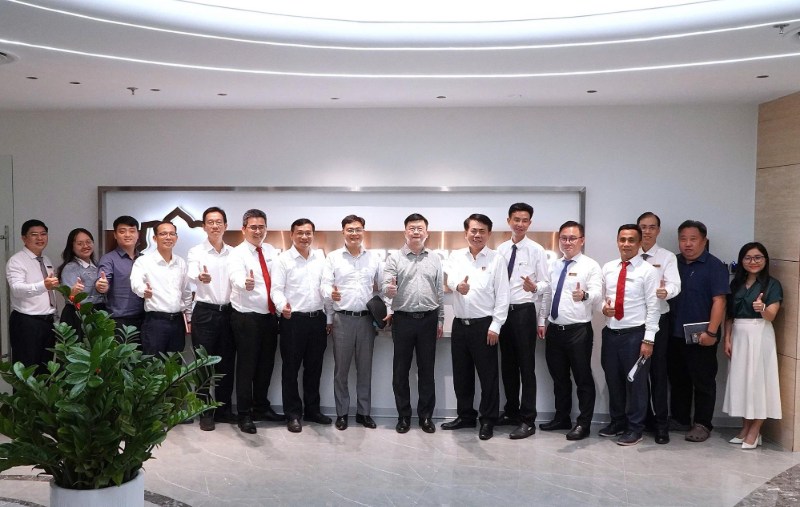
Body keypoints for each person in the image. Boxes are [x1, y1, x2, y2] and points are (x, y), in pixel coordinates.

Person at [442, 213, 509, 441]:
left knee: (488, 377)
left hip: (485, 326)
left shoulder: (496, 259)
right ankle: (465, 416)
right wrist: (457, 286)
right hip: (460, 324)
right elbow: (451, 279)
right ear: (466, 233)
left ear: (488, 234)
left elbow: (503, 296)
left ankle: (488, 419)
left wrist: (496, 326)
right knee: (462, 374)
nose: (477, 235)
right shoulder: (456, 256)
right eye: (473, 230)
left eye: (482, 231)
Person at [322, 215, 387, 430]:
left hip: (366, 321)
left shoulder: (374, 258)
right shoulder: (333, 257)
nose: (354, 233)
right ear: (343, 232)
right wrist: (330, 294)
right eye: (350, 229)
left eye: (358, 229)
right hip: (342, 320)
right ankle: (342, 413)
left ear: (363, 231)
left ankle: (363, 413)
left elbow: (384, 286)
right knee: (341, 371)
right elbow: (324, 285)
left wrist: (386, 306)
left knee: (365, 369)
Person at [668, 220, 730, 443]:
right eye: (683, 239)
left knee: (703, 381)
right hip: (674, 334)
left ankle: (703, 423)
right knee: (678, 379)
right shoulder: (673, 262)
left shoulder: (714, 266)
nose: (688, 244)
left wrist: (711, 333)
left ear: (704, 241)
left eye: (693, 239)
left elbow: (720, 301)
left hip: (702, 336)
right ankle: (680, 419)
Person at [539, 221, 602, 441]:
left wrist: (584, 295)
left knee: (583, 379)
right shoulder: (554, 265)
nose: (567, 242)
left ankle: (583, 424)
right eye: (564, 238)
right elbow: (548, 294)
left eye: (572, 238)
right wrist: (542, 320)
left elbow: (597, 294)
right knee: (559, 378)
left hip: (578, 332)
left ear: (582, 240)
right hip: (555, 330)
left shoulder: (590, 266)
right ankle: (561, 418)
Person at [382, 213, 444, 435]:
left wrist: (441, 319)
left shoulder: (435, 258)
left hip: (429, 319)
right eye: (412, 228)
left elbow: (439, 291)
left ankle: (426, 416)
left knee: (427, 371)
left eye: (420, 228)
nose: (416, 232)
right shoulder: (394, 258)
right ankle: (404, 416)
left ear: (426, 232)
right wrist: (389, 290)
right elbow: (386, 285)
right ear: (405, 232)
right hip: (403, 320)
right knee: (401, 371)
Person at [599, 224, 660, 446]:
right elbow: (601, 298)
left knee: (637, 384)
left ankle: (635, 428)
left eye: (631, 240)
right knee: (613, 379)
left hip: (635, 335)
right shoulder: (608, 268)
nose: (626, 244)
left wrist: (648, 339)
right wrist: (603, 308)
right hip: (611, 333)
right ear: (617, 241)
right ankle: (617, 422)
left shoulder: (648, 271)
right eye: (622, 239)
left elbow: (654, 307)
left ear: (640, 243)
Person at [271, 218, 332, 433]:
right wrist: (282, 306)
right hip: (293, 320)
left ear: (313, 235)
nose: (304, 237)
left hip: (317, 320)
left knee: (314, 368)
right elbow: (276, 289)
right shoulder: (283, 260)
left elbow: (325, 287)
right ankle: (293, 414)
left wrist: (329, 315)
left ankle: (313, 410)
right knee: (290, 370)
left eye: (308, 233)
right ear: (292, 235)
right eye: (300, 233)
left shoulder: (320, 258)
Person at [496, 203, 550, 440]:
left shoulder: (536, 250)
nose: (520, 224)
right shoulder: (500, 249)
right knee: (507, 366)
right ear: (509, 220)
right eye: (516, 219)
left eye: (524, 220)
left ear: (530, 223)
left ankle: (528, 420)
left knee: (526, 367)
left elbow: (547, 283)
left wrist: (534, 287)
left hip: (524, 313)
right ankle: (511, 411)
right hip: (503, 313)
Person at [723, 242, 782, 449]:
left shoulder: (772, 284)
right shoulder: (736, 284)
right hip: (739, 334)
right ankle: (745, 428)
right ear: (741, 261)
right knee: (742, 383)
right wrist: (727, 338)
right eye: (748, 258)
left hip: (760, 333)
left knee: (758, 382)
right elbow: (729, 315)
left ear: (765, 260)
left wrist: (762, 308)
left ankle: (755, 430)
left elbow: (771, 316)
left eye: (758, 257)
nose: (753, 261)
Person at [228, 208, 282, 434]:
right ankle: (244, 414)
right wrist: (245, 283)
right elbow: (235, 276)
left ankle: (261, 407)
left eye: (261, 227)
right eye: (253, 227)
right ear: (244, 229)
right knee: (247, 367)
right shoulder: (237, 253)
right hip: (246, 318)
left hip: (269, 317)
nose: (257, 231)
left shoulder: (270, 250)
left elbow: (278, 280)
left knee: (266, 366)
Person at [186, 207, 235, 431]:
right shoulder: (196, 252)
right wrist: (200, 276)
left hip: (229, 312)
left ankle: (223, 410)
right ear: (204, 226)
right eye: (210, 222)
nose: (215, 226)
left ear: (225, 225)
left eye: (219, 222)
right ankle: (205, 411)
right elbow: (191, 273)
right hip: (205, 312)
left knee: (227, 363)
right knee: (203, 364)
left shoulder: (234, 253)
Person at [636, 211, 681, 444]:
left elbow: (675, 285)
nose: (647, 231)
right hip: (635, 322)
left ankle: (662, 425)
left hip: (659, 321)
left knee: (658, 373)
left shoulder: (666, 257)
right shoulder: (630, 256)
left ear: (658, 230)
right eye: (643, 227)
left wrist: (666, 292)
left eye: (651, 227)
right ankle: (642, 420)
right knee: (638, 374)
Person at [130, 221, 192, 356]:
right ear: (154, 238)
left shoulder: (181, 262)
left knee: (175, 363)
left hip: (177, 322)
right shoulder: (144, 261)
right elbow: (135, 283)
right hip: (155, 322)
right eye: (163, 234)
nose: (168, 237)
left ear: (176, 238)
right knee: (154, 363)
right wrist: (143, 291)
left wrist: (188, 318)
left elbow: (186, 292)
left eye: (172, 234)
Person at [6, 219, 58, 374]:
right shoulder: (17, 261)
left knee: (45, 370)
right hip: (27, 323)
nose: (40, 238)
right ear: (24, 238)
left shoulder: (46, 260)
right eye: (34, 234)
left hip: (47, 323)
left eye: (43, 234)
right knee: (27, 370)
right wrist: (43, 286)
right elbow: (16, 289)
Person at [96, 215, 145, 338]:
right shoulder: (108, 259)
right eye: (122, 231)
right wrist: (102, 285)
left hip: (145, 319)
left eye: (132, 231)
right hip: (119, 320)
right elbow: (103, 281)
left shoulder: (145, 259)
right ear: (115, 235)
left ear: (138, 234)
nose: (127, 235)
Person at [56, 228, 105, 335]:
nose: (85, 246)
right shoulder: (70, 267)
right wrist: (73, 293)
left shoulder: (97, 265)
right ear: (72, 246)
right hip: (78, 316)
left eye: (88, 242)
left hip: (96, 313)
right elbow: (71, 298)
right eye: (80, 243)